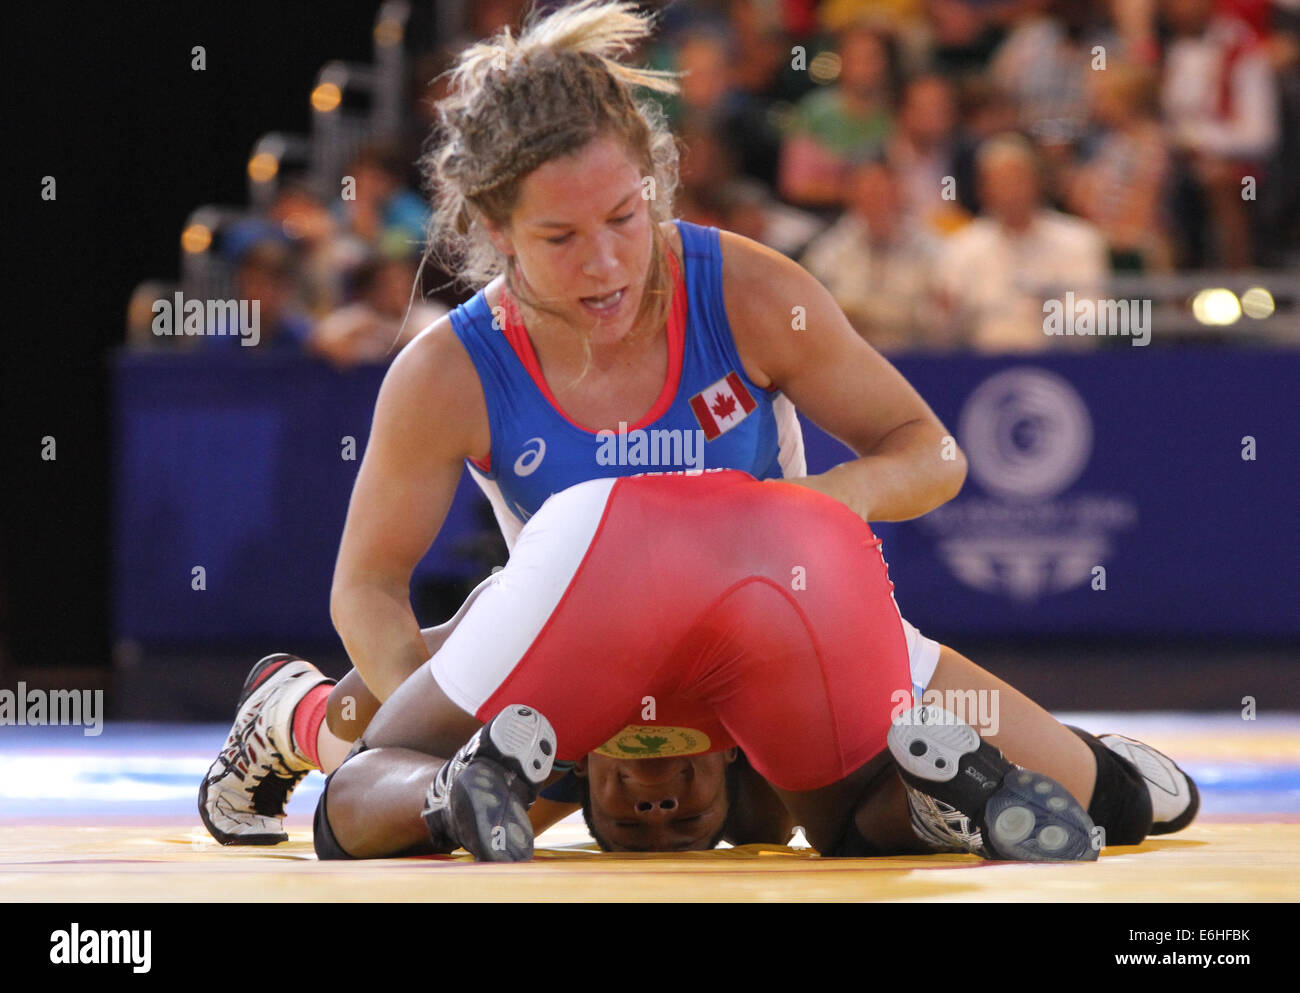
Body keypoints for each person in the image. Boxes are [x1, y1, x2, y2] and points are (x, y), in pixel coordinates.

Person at [200, 0, 968, 844]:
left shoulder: (749, 292)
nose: (603, 267)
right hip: (579, 647)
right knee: (436, 779)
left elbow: (932, 453)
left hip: (750, 629)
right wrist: (452, 719)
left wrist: (816, 509)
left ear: (653, 191)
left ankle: (303, 713)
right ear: (500, 231)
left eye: (620, 222)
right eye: (561, 235)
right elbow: (366, 585)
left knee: (760, 814)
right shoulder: (445, 369)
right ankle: (303, 717)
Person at [309, 470, 1197, 862]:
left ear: (578, 765)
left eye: (642, 792)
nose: (657, 804)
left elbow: (375, 736)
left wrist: (331, 727)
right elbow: (929, 455)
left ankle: (327, 738)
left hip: (619, 557)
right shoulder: (761, 789)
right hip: (800, 561)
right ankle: (943, 806)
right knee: (853, 828)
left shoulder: (545, 755)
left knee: (359, 769)